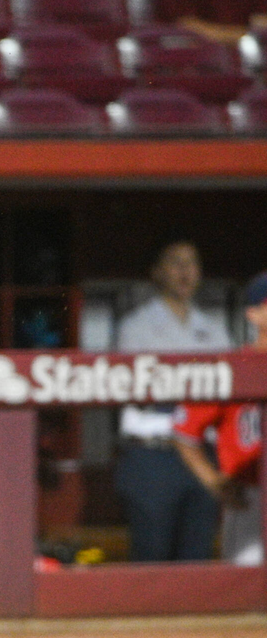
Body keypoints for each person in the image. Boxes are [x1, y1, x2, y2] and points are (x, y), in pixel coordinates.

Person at [114, 240, 233, 562]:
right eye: (175, 263)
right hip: (154, 454)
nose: (185, 271)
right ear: (157, 272)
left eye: (192, 263)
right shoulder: (136, 326)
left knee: (196, 557)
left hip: (201, 454)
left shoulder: (213, 329)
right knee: (151, 559)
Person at [172, 271, 267, 567]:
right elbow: (184, 431)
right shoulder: (231, 367)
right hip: (251, 496)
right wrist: (214, 482)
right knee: (245, 594)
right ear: (253, 314)